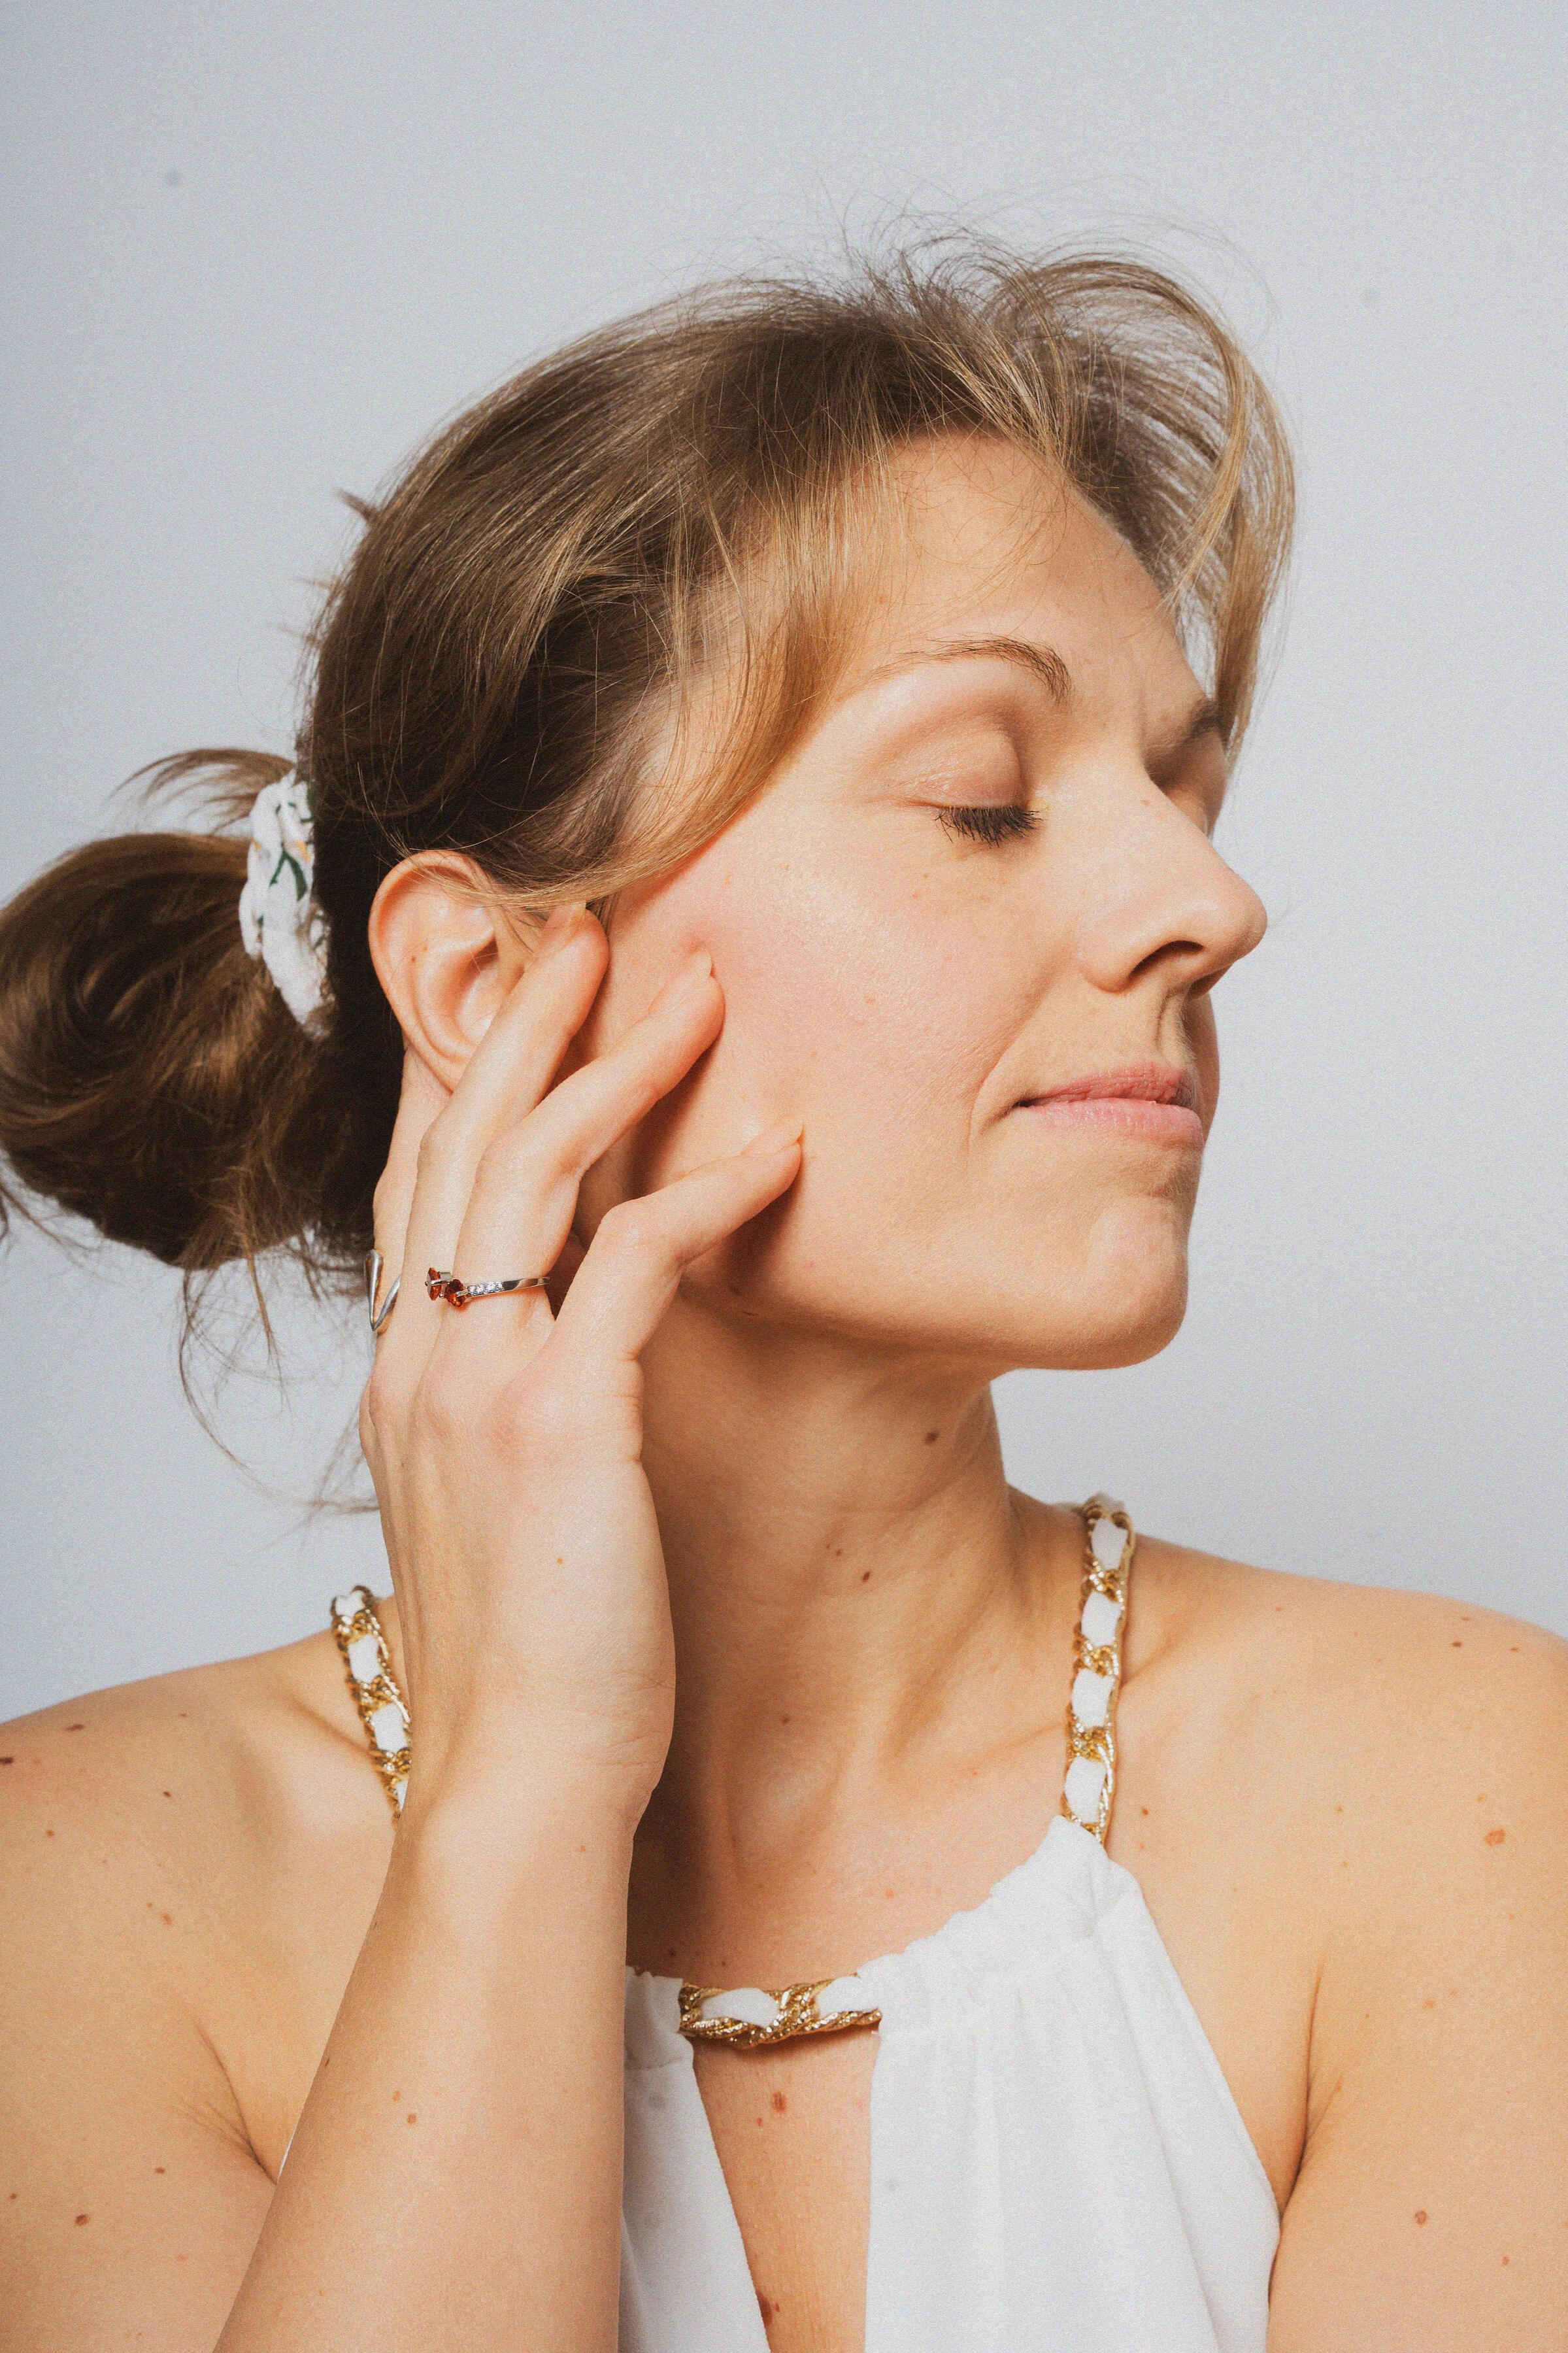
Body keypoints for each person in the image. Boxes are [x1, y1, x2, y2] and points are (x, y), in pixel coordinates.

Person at [0, 241, 1563, 2353]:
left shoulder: (1468, 1793)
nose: (1212, 902)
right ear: (486, 983)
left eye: (1186, 797)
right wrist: (520, 1792)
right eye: (985, 803)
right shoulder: (71, 1894)